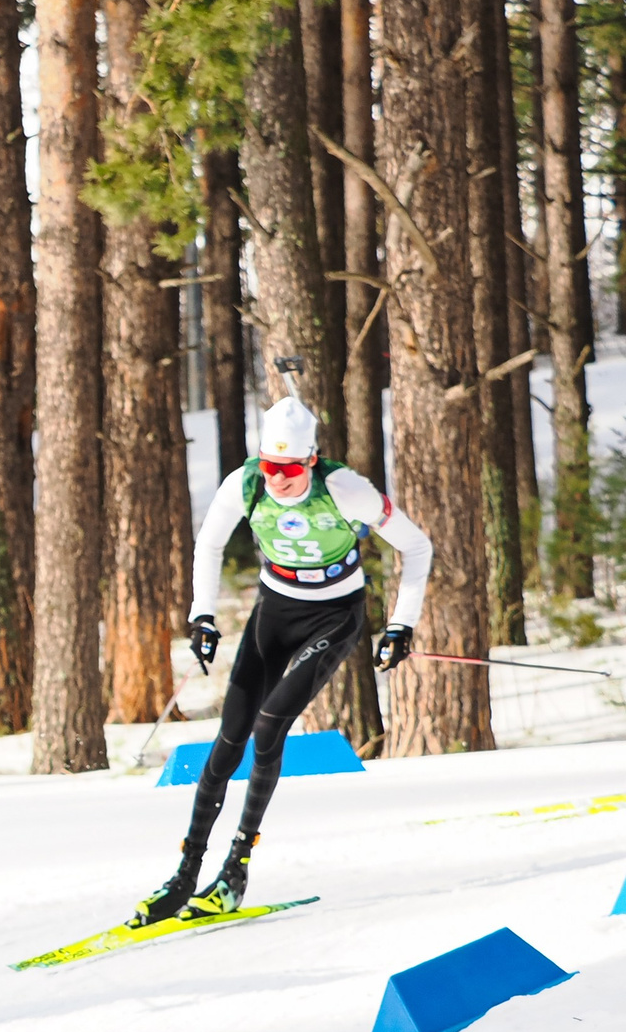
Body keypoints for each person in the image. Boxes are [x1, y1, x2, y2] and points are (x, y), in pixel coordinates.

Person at [138, 392, 434, 921]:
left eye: (291, 468)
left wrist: (401, 624)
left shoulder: (345, 489)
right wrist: (202, 615)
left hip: (334, 615)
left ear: (311, 460)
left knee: (270, 724)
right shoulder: (245, 483)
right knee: (231, 735)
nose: (278, 479)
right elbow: (208, 545)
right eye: (270, 466)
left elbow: (416, 547)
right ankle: (185, 875)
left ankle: (235, 869)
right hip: (275, 610)